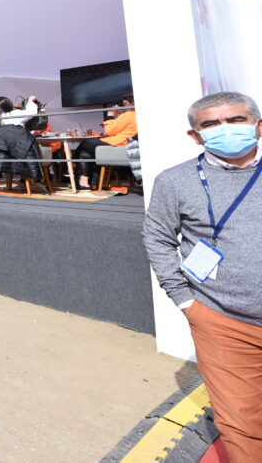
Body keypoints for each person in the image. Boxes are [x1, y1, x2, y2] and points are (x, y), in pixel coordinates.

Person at [143, 92, 262, 462]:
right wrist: (185, 302)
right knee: (241, 421)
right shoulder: (175, 181)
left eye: (236, 120)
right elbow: (158, 238)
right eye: (211, 124)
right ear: (195, 135)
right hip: (224, 320)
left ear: (258, 126)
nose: (225, 129)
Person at [74, 93, 137, 190]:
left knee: (86, 143)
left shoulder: (129, 114)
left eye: (124, 103)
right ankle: (85, 183)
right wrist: (119, 114)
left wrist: (110, 114)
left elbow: (109, 131)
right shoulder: (133, 115)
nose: (123, 106)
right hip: (126, 144)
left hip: (120, 144)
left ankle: (72, 165)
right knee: (85, 153)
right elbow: (120, 129)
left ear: (130, 103)